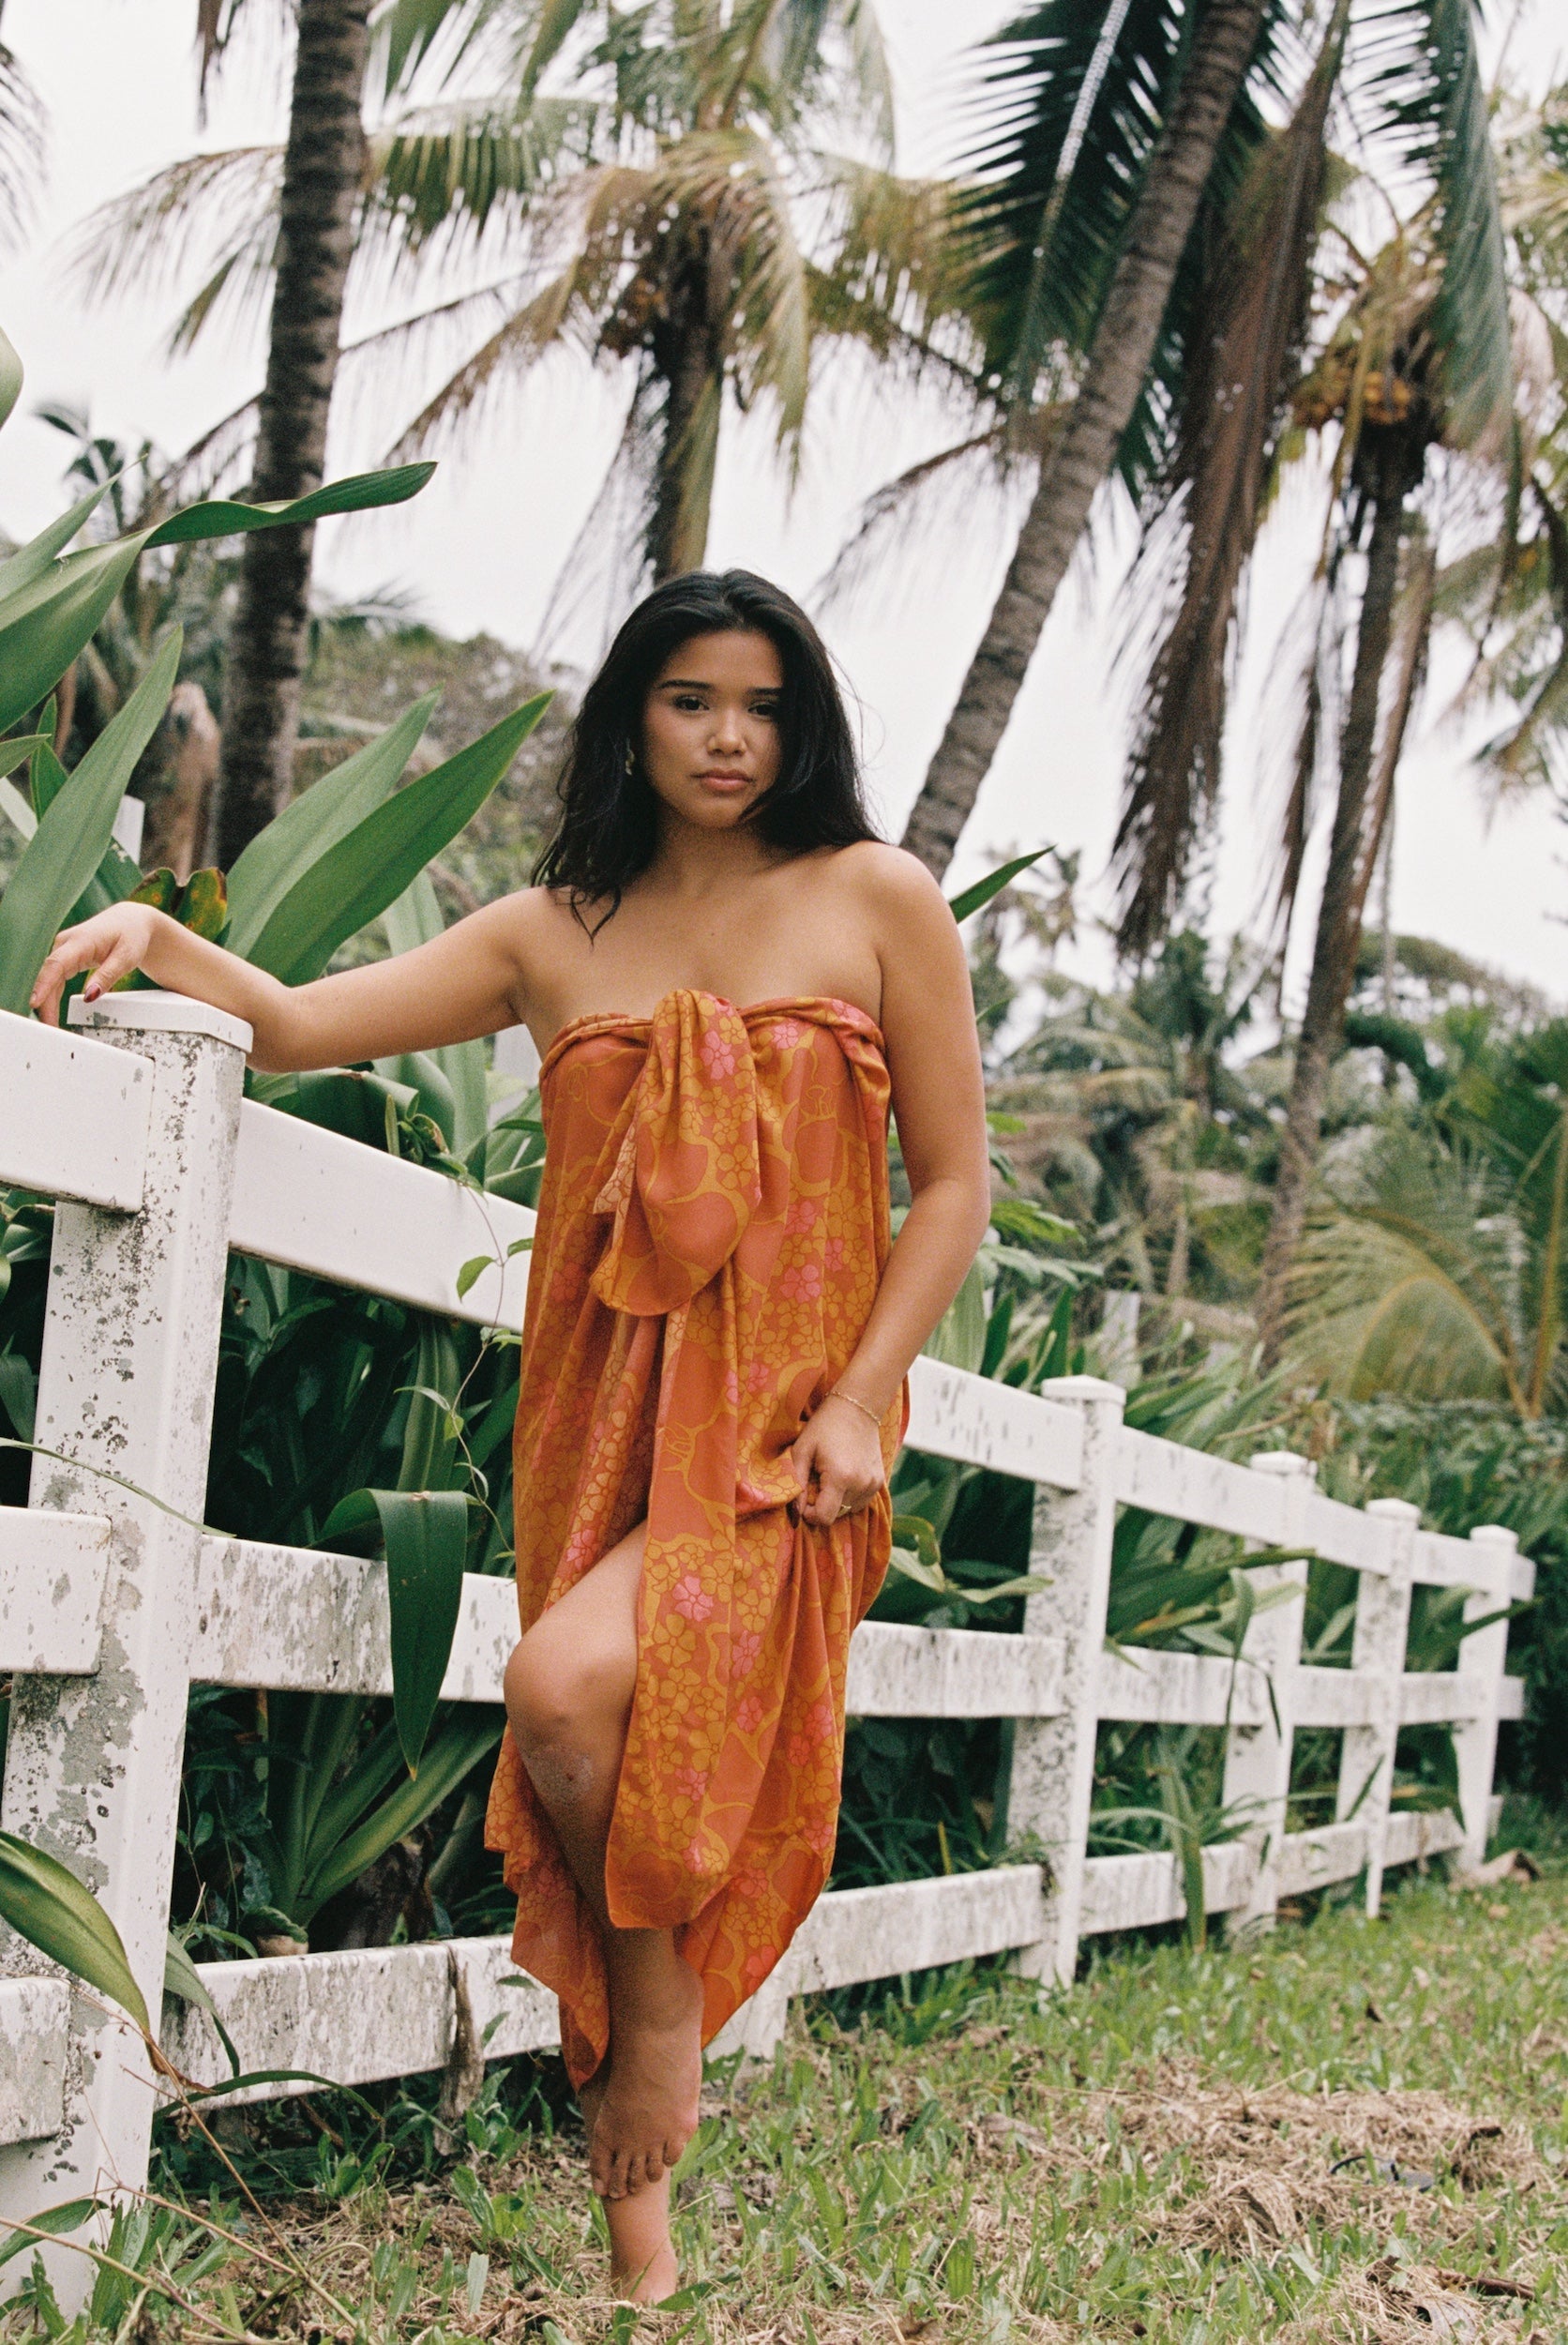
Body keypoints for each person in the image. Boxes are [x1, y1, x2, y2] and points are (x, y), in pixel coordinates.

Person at [30, 569, 992, 2303]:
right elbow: (315, 1024)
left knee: (562, 1689)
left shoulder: (877, 899)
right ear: (634, 712)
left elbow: (955, 1184)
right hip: (600, 1426)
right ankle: (640, 2263)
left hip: (787, 1435)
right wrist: (164, 943)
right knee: (595, 1720)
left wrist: (861, 1400)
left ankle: (652, 2023)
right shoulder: (557, 927)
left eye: (764, 704)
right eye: (693, 698)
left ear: (807, 722)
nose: (729, 736)